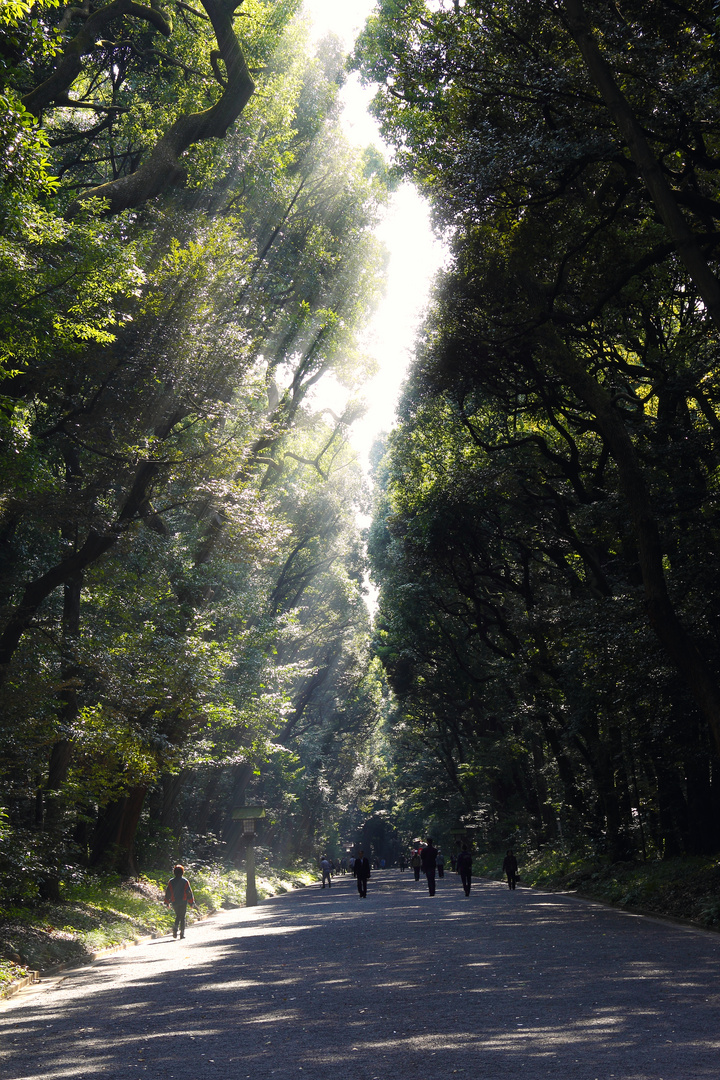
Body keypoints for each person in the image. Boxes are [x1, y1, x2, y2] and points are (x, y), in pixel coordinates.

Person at [164, 864, 195, 939]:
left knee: (178, 915)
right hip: (183, 901)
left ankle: (175, 930)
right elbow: (189, 892)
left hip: (174, 901)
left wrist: (167, 902)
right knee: (182, 917)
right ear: (182, 872)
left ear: (174, 872)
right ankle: (182, 933)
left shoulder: (171, 882)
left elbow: (168, 892)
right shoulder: (185, 881)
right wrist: (191, 902)